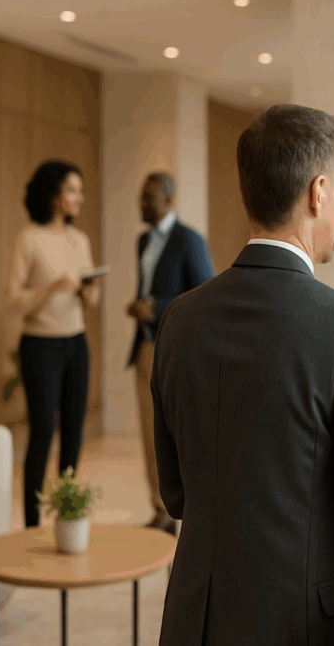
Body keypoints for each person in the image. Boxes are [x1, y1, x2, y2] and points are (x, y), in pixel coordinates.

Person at [152, 104, 334, 645]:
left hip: (193, 621)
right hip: (303, 626)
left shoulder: (179, 318)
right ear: (317, 192)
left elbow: (177, 495)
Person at [4, 160, 103, 528]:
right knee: (43, 432)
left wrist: (89, 289)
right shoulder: (28, 238)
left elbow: (90, 300)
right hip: (40, 345)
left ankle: (67, 513)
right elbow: (11, 300)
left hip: (76, 343)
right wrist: (50, 289)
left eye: (80, 190)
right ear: (53, 195)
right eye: (72, 190)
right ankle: (31, 525)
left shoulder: (81, 240)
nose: (79, 197)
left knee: (75, 431)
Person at [125, 171, 215, 534]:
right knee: (150, 435)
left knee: (181, 434)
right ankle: (161, 512)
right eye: (141, 197)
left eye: (149, 198)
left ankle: (190, 510)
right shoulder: (143, 240)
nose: (142, 204)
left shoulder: (188, 239)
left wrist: (158, 308)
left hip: (176, 350)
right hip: (145, 348)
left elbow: (206, 294)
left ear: (168, 199)